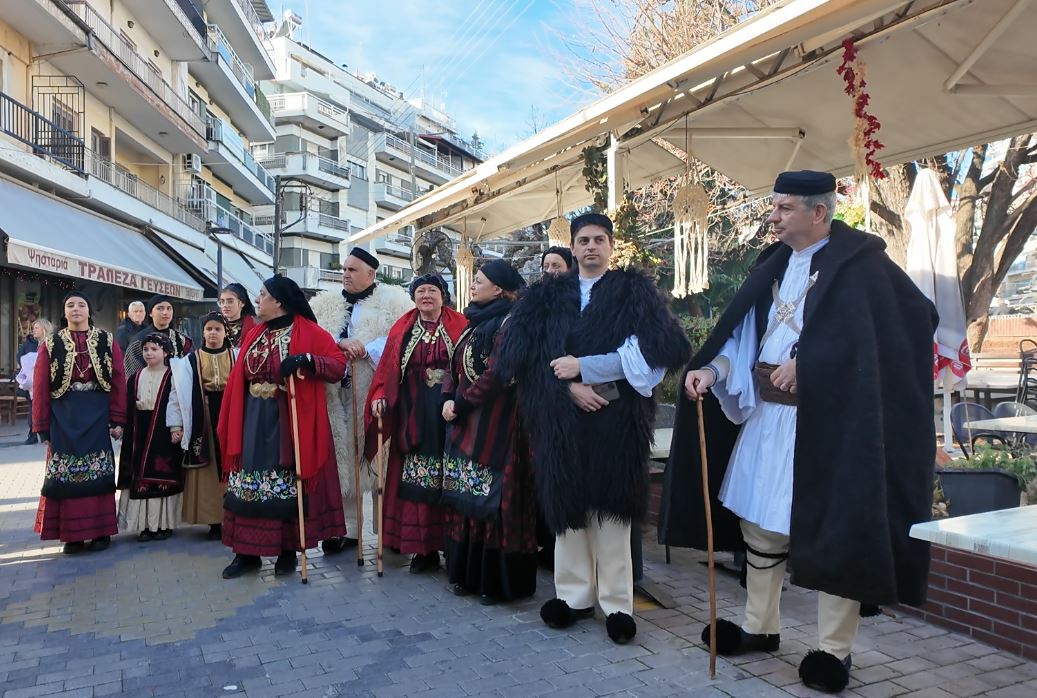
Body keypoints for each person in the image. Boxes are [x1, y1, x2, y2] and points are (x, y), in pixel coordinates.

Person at [658, 171, 937, 694]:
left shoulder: (863, 266)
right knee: (760, 524)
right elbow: (745, 335)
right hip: (770, 418)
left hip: (832, 425)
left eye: (784, 208)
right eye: (774, 206)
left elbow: (912, 323)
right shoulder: (773, 264)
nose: (773, 216)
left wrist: (813, 363)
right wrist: (712, 370)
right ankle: (760, 626)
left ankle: (834, 650)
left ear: (819, 212)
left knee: (836, 531)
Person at [500, 213, 690, 644]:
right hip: (561, 419)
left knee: (613, 512)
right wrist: (568, 390)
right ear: (572, 246)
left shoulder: (633, 293)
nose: (591, 247)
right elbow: (522, 362)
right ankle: (573, 596)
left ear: (611, 245)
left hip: (616, 417)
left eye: (599, 240)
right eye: (583, 240)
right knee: (569, 512)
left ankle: (617, 603)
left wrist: (588, 372)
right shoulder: (545, 297)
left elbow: (657, 352)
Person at [217, 275, 348, 579]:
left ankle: (287, 552)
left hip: (287, 420)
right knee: (248, 485)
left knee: (286, 484)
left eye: (262, 294)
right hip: (252, 419)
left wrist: (307, 359)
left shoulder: (310, 331)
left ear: (278, 301)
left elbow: (338, 366)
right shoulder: (255, 332)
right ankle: (246, 554)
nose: (257, 299)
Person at [439, 259, 537, 604]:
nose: (472, 285)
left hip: (500, 424)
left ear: (498, 288)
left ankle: (495, 583)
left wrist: (462, 404)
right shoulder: (473, 322)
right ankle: (467, 575)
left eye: (478, 280)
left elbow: (498, 374)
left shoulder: (513, 323)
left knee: (496, 501)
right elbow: (453, 365)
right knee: (468, 497)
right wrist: (447, 397)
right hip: (468, 421)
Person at [310, 247, 413, 554]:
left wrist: (368, 348)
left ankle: (387, 530)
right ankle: (347, 530)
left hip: (376, 394)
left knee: (380, 460)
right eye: (344, 269)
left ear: (371, 274)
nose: (345, 274)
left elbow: (403, 338)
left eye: (352, 270)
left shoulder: (396, 303)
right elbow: (313, 337)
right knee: (344, 460)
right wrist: (339, 342)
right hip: (336, 394)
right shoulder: (325, 303)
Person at [365, 273, 466, 573]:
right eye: (420, 291)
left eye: (432, 290)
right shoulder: (403, 328)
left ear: (443, 296)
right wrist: (379, 396)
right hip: (413, 413)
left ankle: (454, 546)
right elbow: (387, 369)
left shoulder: (461, 325)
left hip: (451, 413)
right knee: (417, 481)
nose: (426, 296)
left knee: (451, 479)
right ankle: (424, 550)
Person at [31, 291, 126, 554]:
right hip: (63, 415)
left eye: (81, 305)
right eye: (70, 305)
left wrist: (118, 418)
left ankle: (100, 532)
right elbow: (40, 385)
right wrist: (41, 426)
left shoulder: (107, 340)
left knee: (99, 473)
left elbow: (118, 379)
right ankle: (71, 535)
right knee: (66, 477)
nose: (76, 309)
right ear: (64, 312)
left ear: (88, 311)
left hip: (97, 414)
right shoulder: (51, 344)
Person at [169, 312, 234, 539]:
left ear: (225, 333)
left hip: (230, 413)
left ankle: (235, 516)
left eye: (218, 329)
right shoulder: (189, 361)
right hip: (203, 415)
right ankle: (214, 520)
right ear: (203, 332)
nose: (213, 333)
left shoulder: (236, 356)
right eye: (209, 329)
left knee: (231, 463)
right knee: (209, 467)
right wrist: (175, 424)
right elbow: (176, 394)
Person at [118, 333, 184, 541]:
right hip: (139, 430)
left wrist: (176, 427)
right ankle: (144, 526)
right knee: (140, 474)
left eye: (154, 349)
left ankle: (163, 525)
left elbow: (177, 404)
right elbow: (127, 406)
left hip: (163, 431)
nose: (149, 353)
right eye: (146, 349)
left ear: (166, 352)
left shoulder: (173, 376)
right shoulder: (135, 377)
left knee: (162, 474)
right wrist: (120, 426)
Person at [125, 295, 193, 376]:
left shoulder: (183, 340)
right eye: (160, 308)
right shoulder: (139, 341)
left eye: (169, 308)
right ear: (150, 313)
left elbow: (191, 368)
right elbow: (133, 376)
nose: (165, 312)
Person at [17, 319, 52, 445]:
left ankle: (48, 434)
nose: (34, 330)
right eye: (33, 328)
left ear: (44, 329)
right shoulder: (29, 343)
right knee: (33, 408)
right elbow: (19, 356)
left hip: (47, 383)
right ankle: (33, 434)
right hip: (32, 382)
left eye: (36, 328)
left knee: (46, 408)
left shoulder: (51, 343)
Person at [219, 283, 257, 348]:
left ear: (242, 303)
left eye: (230, 301)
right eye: (222, 302)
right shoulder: (216, 325)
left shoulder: (252, 329)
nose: (225, 305)